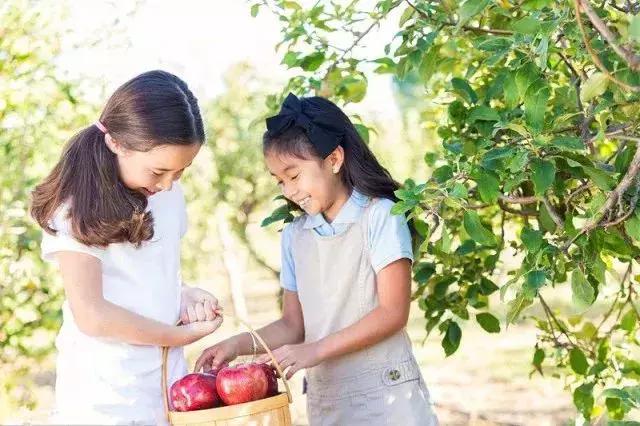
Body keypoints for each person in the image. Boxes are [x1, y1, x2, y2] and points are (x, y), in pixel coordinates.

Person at [195, 93, 438, 425]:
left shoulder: (379, 215)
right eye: (279, 181)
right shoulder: (295, 236)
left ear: (334, 159)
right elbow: (293, 326)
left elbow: (392, 313)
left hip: (388, 397)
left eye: (293, 176)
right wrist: (236, 345)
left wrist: (315, 350)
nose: (287, 190)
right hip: (328, 402)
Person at [31, 70, 222, 425]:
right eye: (158, 171)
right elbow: (92, 314)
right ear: (117, 143)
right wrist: (177, 336)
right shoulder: (75, 207)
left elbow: (149, 278)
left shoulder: (167, 197)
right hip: (105, 397)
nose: (167, 185)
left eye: (180, 173)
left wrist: (186, 294)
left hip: (167, 387)